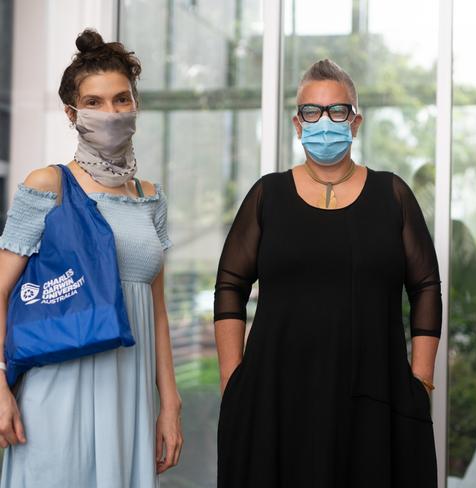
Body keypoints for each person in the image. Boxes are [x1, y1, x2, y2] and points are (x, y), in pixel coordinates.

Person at [214, 59, 441, 487]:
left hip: (375, 397)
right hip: (276, 399)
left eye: (337, 111)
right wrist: (233, 378)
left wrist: (421, 380)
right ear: (297, 125)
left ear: (355, 121)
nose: (324, 121)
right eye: (311, 112)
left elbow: (426, 285)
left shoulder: (392, 195)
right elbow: (230, 285)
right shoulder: (268, 195)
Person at [0, 29, 182, 487]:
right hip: (58, 393)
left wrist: (170, 403)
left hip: (131, 395)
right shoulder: (48, 184)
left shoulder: (150, 197)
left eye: (122, 100)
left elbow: (157, 311)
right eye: (95, 102)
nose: (112, 112)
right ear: (72, 113)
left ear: (135, 104)